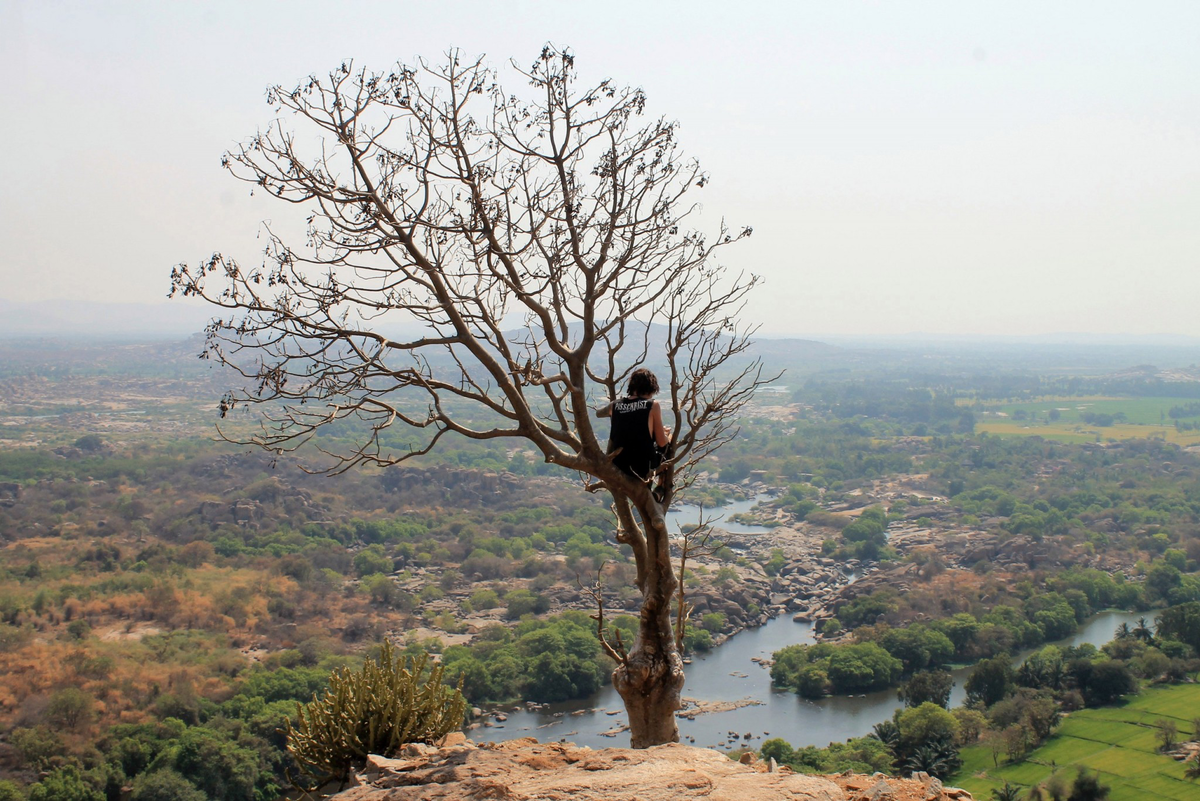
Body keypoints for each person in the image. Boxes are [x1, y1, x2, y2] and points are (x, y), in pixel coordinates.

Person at [597, 368, 672, 495]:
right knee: (668, 441)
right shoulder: (652, 405)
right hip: (641, 468)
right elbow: (661, 443)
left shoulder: (614, 405)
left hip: (618, 465)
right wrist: (667, 436)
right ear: (651, 388)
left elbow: (599, 413)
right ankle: (661, 487)